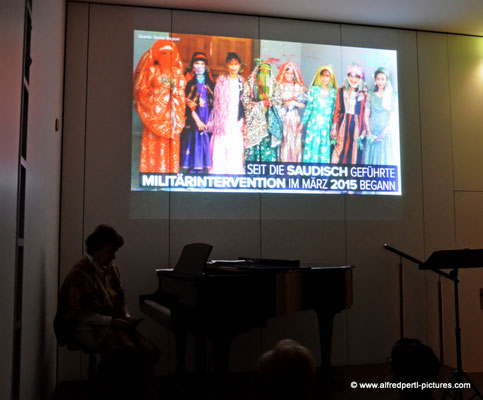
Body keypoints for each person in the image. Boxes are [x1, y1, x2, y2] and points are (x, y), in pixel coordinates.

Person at [54, 225, 159, 397]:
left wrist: (126, 317)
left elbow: (120, 299)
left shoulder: (111, 270)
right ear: (95, 250)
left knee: (143, 350)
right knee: (126, 353)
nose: (114, 256)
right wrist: (112, 321)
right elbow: (79, 313)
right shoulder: (80, 273)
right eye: (110, 252)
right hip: (84, 326)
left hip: (110, 323)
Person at [133, 39, 186, 173]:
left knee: (170, 145)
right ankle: (152, 175)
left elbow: (181, 93)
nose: (167, 56)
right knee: (154, 145)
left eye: (170, 53)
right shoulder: (151, 71)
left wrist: (174, 93)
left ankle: (169, 175)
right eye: (163, 53)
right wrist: (162, 94)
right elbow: (143, 92)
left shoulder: (177, 72)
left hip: (172, 118)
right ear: (157, 54)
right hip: (154, 116)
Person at [208, 52, 245, 174]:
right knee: (221, 139)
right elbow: (217, 100)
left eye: (236, 64)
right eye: (231, 64)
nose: (234, 67)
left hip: (237, 115)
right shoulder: (221, 80)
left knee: (235, 141)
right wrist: (220, 116)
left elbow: (245, 101)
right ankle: (218, 168)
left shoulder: (242, 81)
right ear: (227, 65)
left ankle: (233, 168)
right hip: (223, 115)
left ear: (239, 65)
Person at [180, 52, 215, 173]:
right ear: (192, 65)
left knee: (205, 142)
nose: (199, 66)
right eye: (196, 63)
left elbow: (215, 103)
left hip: (207, 117)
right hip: (194, 117)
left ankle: (202, 173)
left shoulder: (211, 83)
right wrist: (198, 120)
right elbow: (188, 105)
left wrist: (211, 120)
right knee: (193, 141)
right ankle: (191, 173)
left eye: (202, 64)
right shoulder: (188, 83)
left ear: (206, 67)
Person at [243, 60, 283, 163]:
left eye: (267, 72)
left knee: (268, 146)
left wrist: (270, 103)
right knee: (255, 145)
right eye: (262, 71)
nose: (264, 74)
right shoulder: (251, 83)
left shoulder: (274, 85)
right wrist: (259, 105)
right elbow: (245, 100)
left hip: (269, 122)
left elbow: (279, 101)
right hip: (255, 122)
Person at [299, 65, 338, 164]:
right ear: (319, 77)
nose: (325, 78)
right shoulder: (313, 90)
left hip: (326, 126)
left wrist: (334, 127)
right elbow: (309, 108)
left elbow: (335, 111)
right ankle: (310, 173)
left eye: (327, 76)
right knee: (312, 148)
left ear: (331, 78)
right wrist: (302, 123)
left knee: (324, 149)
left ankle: (322, 175)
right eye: (323, 75)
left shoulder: (334, 93)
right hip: (314, 125)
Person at [331, 63, 368, 164]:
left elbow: (365, 113)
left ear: (360, 78)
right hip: (344, 123)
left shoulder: (364, 94)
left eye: (356, 77)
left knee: (354, 150)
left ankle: (352, 177)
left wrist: (364, 129)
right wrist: (334, 126)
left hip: (358, 124)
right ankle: (338, 176)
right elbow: (337, 110)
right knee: (340, 147)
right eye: (351, 76)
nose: (353, 79)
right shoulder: (341, 91)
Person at [364, 67, 397, 165]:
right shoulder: (370, 95)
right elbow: (366, 115)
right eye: (378, 79)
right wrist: (369, 132)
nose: (380, 82)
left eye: (382, 79)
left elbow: (392, 118)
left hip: (385, 134)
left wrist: (383, 134)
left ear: (387, 80)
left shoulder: (392, 96)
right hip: (372, 132)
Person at [276, 62, 307, 162]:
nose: (289, 76)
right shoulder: (278, 87)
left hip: (294, 117)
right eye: (287, 73)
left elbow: (304, 105)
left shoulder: (298, 88)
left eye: (291, 74)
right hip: (281, 117)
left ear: (294, 75)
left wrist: (293, 102)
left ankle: (293, 166)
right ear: (283, 73)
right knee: (283, 140)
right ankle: (282, 166)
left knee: (294, 140)